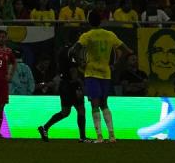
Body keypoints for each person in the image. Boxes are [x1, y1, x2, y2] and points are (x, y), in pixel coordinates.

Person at [71, 12, 132, 143]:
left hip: (92, 73)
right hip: (106, 73)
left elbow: (73, 50)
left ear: (88, 21)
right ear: (101, 21)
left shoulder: (87, 35)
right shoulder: (110, 35)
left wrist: (80, 62)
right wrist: (115, 65)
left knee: (94, 104)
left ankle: (99, 136)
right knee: (104, 104)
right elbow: (127, 51)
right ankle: (112, 136)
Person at [38, 36, 89, 142]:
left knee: (65, 112)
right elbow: (73, 69)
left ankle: (45, 127)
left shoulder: (62, 50)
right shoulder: (72, 51)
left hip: (63, 84)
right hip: (72, 84)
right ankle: (83, 137)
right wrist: (79, 82)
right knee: (81, 109)